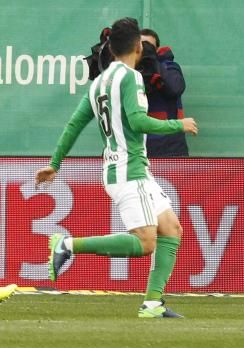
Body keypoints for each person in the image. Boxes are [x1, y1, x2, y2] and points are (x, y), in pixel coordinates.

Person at [35, 17, 198, 318]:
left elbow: (74, 124)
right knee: (146, 242)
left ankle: (152, 303)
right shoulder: (130, 77)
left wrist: (54, 163)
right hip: (128, 170)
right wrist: (179, 124)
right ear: (139, 47)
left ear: (110, 47)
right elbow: (137, 121)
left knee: (171, 229)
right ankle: (68, 245)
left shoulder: (98, 83)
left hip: (129, 169)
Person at [139, 27, 189, 157]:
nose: (144, 51)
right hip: (138, 147)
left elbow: (175, 88)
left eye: (149, 47)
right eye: (141, 46)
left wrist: (153, 61)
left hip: (171, 146)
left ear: (157, 50)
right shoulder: (129, 71)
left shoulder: (168, 66)